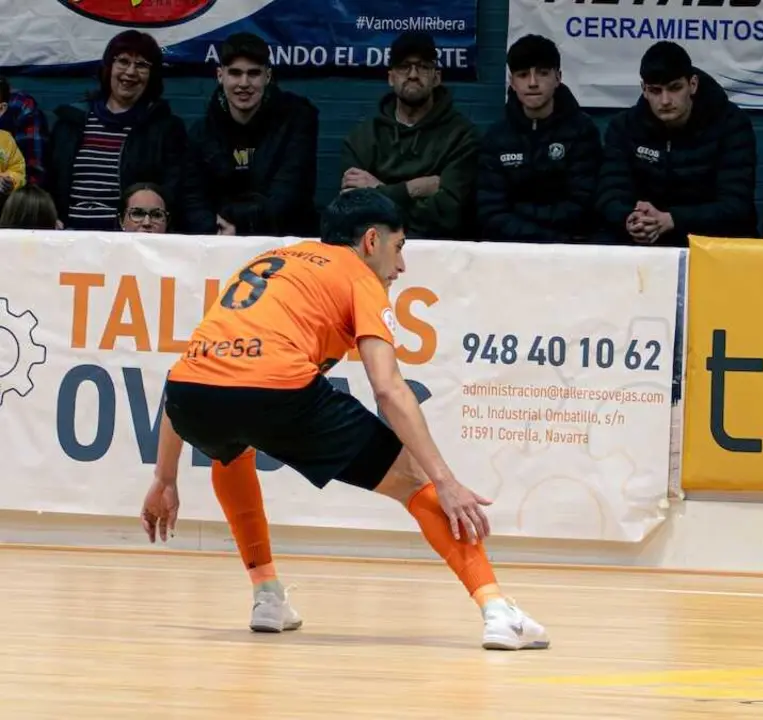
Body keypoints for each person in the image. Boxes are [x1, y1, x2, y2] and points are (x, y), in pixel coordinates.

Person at [139, 188, 549, 651]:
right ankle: (497, 612)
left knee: (231, 451)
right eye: (399, 248)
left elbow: (193, 372)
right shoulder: (360, 277)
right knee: (417, 483)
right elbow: (389, 389)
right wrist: (446, 479)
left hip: (192, 398)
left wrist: (165, 476)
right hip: (274, 390)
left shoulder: (274, 260)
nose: (401, 267)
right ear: (371, 241)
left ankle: (267, 595)